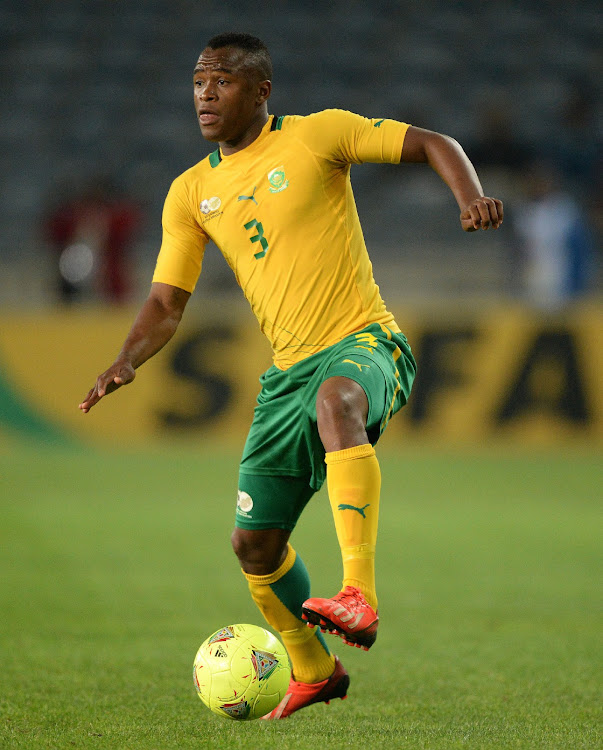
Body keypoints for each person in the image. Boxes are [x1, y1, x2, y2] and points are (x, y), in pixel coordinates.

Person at [79, 32, 503, 718]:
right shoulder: (191, 191)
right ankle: (312, 668)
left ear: (260, 90)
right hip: (285, 378)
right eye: (196, 82)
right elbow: (165, 301)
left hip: (363, 343)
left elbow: (433, 143)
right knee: (253, 544)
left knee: (337, 401)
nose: (204, 95)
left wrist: (469, 196)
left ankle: (357, 593)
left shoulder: (317, 137)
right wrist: (126, 358)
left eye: (220, 81)